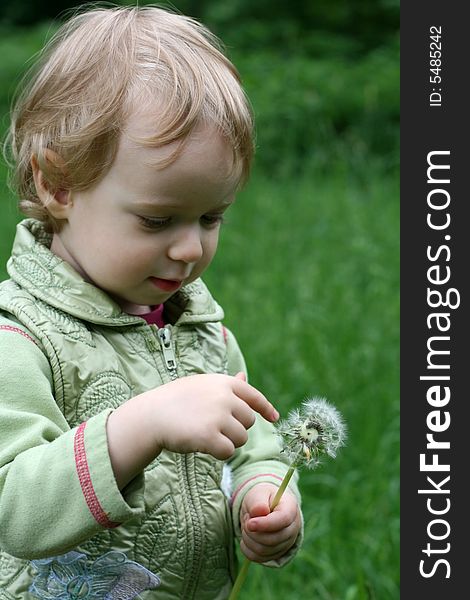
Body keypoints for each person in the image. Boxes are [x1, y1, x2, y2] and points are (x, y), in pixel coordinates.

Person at [0, 5, 303, 599]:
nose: (190, 248)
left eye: (211, 217)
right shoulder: (21, 341)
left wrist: (265, 494)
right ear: (57, 185)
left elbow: (253, 447)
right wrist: (140, 425)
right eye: (157, 219)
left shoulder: (201, 332)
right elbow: (13, 508)